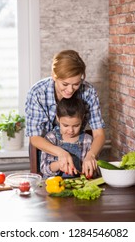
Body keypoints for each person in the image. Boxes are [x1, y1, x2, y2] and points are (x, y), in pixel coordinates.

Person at [25, 49, 105, 177]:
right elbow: (35, 138)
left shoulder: (88, 92)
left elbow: (99, 134)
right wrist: (61, 153)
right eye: (65, 84)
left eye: (76, 84)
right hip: (47, 151)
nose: (70, 90)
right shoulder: (37, 93)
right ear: (54, 75)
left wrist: (91, 155)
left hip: (79, 149)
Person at [40, 95, 93, 178]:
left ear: (82, 119)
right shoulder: (51, 138)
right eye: (65, 125)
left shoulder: (87, 140)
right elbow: (44, 168)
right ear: (58, 118)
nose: (71, 130)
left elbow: (93, 170)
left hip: (79, 185)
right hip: (54, 185)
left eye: (76, 126)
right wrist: (59, 164)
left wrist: (89, 169)